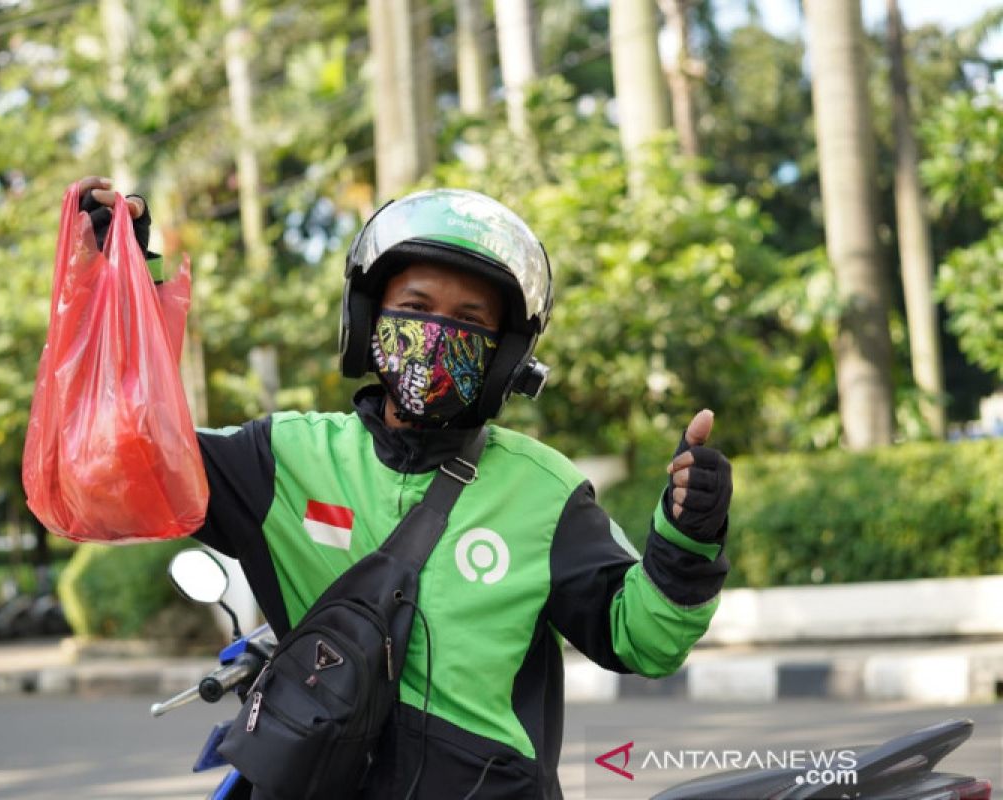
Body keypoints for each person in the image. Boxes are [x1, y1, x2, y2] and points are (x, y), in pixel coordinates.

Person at [78, 177, 733, 799]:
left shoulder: (544, 493)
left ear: (505, 353)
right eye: (416, 309)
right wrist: (124, 279)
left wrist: (686, 535)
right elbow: (129, 463)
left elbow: (642, 639)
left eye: (468, 320)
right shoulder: (286, 459)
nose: (437, 334)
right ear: (370, 320)